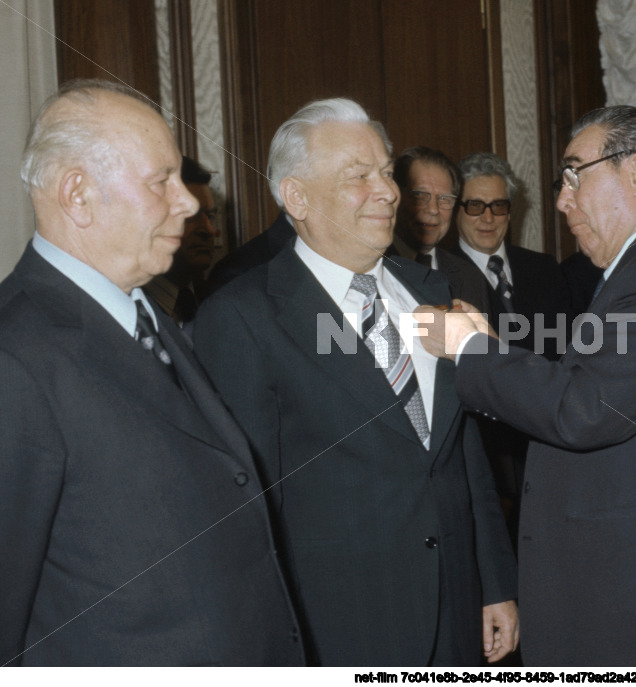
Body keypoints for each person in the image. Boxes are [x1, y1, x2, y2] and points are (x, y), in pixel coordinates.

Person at [416, 105, 636, 666]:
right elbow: (594, 387)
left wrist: (468, 349)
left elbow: (585, 407)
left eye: (575, 174)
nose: (560, 200)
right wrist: (491, 348)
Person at [193, 97, 518, 666]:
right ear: (296, 197)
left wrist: (496, 582)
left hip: (461, 616)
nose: (390, 192)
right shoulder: (243, 317)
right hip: (339, 630)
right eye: (358, 176)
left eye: (387, 172)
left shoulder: (432, 293)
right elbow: (246, 509)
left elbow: (465, 457)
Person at [0, 79, 304, 666]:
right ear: (78, 195)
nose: (188, 202)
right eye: (161, 180)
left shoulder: (148, 315)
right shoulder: (15, 357)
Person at [452, 152, 571, 361]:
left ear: (509, 212)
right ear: (456, 210)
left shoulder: (545, 269)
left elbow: (569, 349)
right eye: (475, 206)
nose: (488, 218)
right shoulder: (440, 276)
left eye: (498, 206)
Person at [390, 146, 490, 312]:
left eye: (444, 199)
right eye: (420, 196)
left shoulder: (471, 279)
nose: (433, 209)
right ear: (395, 195)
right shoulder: (370, 269)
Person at [146, 156, 219, 324]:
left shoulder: (218, 299)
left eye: (210, 216)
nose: (207, 230)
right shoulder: (131, 305)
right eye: (189, 216)